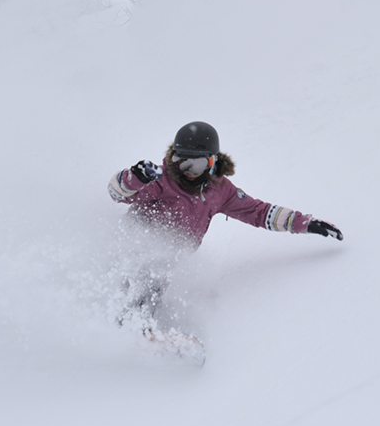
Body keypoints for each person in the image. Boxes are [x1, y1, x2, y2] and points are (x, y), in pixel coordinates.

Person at [107, 121, 342, 342]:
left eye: (196, 164)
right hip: (136, 245)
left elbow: (258, 211)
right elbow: (117, 194)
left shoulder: (220, 190)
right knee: (145, 278)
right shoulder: (160, 180)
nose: (186, 170)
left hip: (172, 257)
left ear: (211, 162)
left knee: (156, 282)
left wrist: (305, 223)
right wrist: (134, 179)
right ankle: (131, 328)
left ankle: (140, 330)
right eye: (180, 161)